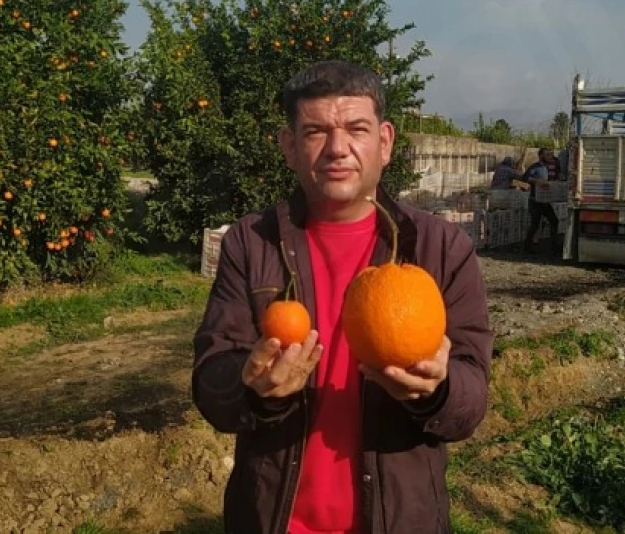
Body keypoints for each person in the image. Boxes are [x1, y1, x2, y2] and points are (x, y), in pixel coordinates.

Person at [191, 60, 493, 534]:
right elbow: (211, 383)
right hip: (273, 521)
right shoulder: (252, 242)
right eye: (315, 131)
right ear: (289, 147)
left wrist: (437, 391)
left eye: (356, 128)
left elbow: (471, 400)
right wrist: (255, 390)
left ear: (385, 141)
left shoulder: (439, 248)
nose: (337, 148)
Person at [523, 148, 561, 252]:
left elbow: (556, 178)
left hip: (546, 201)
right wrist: (537, 181)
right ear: (541, 156)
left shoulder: (552, 167)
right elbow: (525, 178)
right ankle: (527, 247)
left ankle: (554, 245)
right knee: (535, 224)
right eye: (547, 155)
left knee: (554, 221)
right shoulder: (535, 167)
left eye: (551, 154)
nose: (551, 157)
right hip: (535, 201)